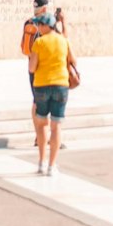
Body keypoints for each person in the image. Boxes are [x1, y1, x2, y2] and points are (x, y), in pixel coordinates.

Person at [28, 15, 78, 176]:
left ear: (45, 26)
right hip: (61, 85)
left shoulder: (39, 42)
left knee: (42, 124)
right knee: (56, 126)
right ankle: (52, 165)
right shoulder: (64, 40)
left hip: (42, 85)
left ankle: (42, 162)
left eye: (40, 25)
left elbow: (32, 68)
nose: (38, 28)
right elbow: (74, 61)